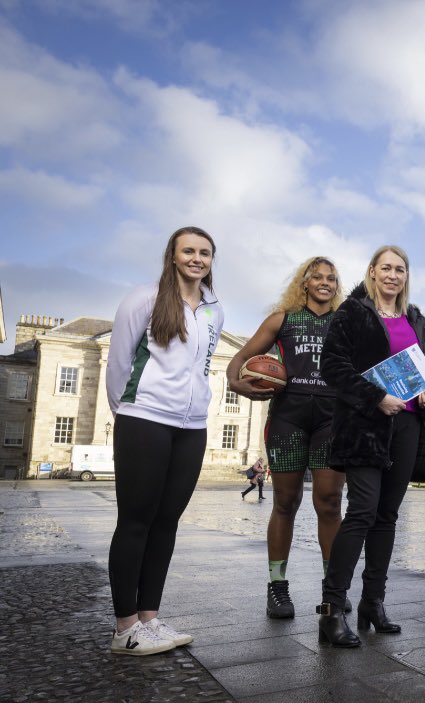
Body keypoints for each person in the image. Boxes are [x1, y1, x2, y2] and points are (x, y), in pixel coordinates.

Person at [105, 226, 225, 656]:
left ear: (212, 260)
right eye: (188, 251)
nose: (197, 258)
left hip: (192, 426)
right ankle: (124, 628)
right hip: (144, 418)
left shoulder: (214, 311)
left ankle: (149, 621)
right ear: (173, 256)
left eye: (205, 253)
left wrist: (196, 410)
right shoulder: (144, 298)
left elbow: (202, 368)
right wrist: (129, 412)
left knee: (167, 522)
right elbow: (119, 361)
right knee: (136, 520)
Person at [315, 245, 425, 647]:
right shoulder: (353, 312)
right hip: (366, 425)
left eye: (400, 269)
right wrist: (374, 397)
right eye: (385, 268)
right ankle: (331, 610)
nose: (393, 275)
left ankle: (373, 602)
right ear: (372, 272)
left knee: (387, 516)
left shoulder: (415, 319)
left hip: (406, 428)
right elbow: (332, 366)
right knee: (362, 512)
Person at [227, 257, 345, 619]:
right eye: (317, 277)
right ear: (305, 283)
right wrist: (236, 384)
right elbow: (241, 359)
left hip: (331, 420)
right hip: (288, 419)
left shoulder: (345, 322)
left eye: (331, 278)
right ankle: (277, 587)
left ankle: (333, 589)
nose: (324, 282)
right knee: (285, 503)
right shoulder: (283, 319)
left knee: (328, 502)